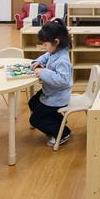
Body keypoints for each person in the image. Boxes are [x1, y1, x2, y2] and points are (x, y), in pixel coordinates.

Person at [29, 18, 73, 147]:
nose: (44, 47)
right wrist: (39, 61)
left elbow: (63, 80)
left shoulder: (63, 60)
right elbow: (47, 55)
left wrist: (43, 72)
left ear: (56, 42)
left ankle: (63, 133)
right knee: (33, 102)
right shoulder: (56, 51)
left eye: (45, 44)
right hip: (51, 92)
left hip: (57, 97)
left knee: (35, 119)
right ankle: (57, 122)